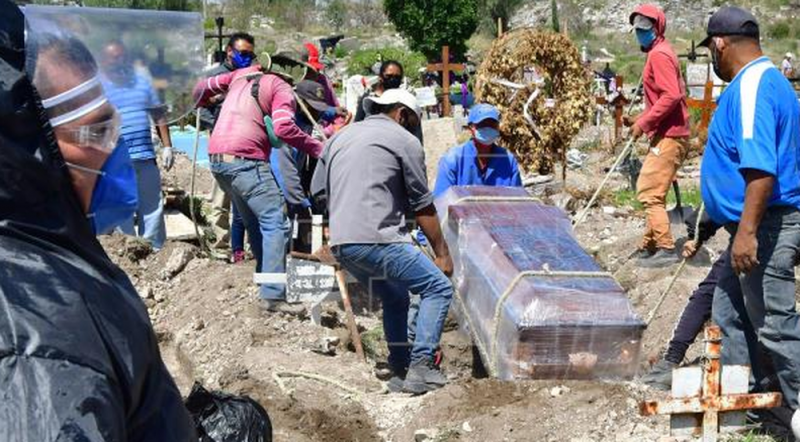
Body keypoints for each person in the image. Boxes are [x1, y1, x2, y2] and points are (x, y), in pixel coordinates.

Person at [1, 7, 194, 438]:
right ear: (25, 154)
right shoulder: (38, 347)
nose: (114, 147)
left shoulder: (42, 257)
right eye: (96, 131)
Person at [699, 7, 800, 437]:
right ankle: (751, 408)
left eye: (710, 51)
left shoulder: (753, 86)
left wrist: (746, 233)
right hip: (755, 224)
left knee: (776, 326)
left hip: (764, 227)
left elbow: (761, 169)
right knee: (728, 313)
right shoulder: (768, 80)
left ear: (720, 44)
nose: (712, 60)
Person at [313, 89, 454, 394]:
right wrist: (441, 253)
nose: (414, 129)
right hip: (378, 238)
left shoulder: (339, 137)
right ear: (402, 114)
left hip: (343, 243)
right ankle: (422, 367)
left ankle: (400, 367)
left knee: (395, 297)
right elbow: (422, 203)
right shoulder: (404, 141)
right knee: (438, 287)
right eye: (414, 122)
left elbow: (319, 192)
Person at [194, 51, 324, 314]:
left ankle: (265, 279)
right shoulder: (281, 87)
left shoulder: (240, 76)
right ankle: (274, 295)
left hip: (218, 160)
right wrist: (319, 149)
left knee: (255, 221)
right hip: (246, 159)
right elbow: (285, 128)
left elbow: (198, 90)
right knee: (276, 220)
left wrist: (211, 99)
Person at [624, 5, 691, 268]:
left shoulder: (659, 55)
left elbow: (672, 95)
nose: (640, 34)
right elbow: (661, 98)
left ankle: (664, 247)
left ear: (657, 28)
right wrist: (639, 118)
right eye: (637, 30)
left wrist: (645, 122)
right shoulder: (658, 52)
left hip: (670, 135)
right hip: (667, 133)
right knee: (655, 190)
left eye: (644, 29)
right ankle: (648, 245)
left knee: (649, 191)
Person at [100, 40, 173, 250]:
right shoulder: (99, 87)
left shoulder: (142, 83)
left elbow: (158, 113)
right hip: (115, 158)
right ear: (104, 61)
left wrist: (167, 145)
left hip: (144, 155)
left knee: (152, 205)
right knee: (122, 205)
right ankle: (129, 248)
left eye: (122, 56)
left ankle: (153, 249)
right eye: (114, 57)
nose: (119, 61)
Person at [641, 211, 722, 390]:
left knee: (711, 295)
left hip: (760, 236)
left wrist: (697, 233)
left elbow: (725, 194)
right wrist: (698, 234)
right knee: (709, 293)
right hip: (760, 232)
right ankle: (672, 359)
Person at [201, 32, 256, 257]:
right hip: (221, 144)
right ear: (230, 52)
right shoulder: (214, 78)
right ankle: (221, 244)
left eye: (250, 54)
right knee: (222, 196)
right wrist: (221, 121)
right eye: (242, 53)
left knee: (251, 194)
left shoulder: (251, 75)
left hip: (248, 143)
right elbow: (201, 109)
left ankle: (252, 246)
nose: (246, 58)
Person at [433, 103, 522, 197]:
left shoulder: (508, 160)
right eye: (483, 125)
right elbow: (442, 200)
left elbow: (518, 199)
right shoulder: (453, 160)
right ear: (471, 127)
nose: (488, 128)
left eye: (492, 125)